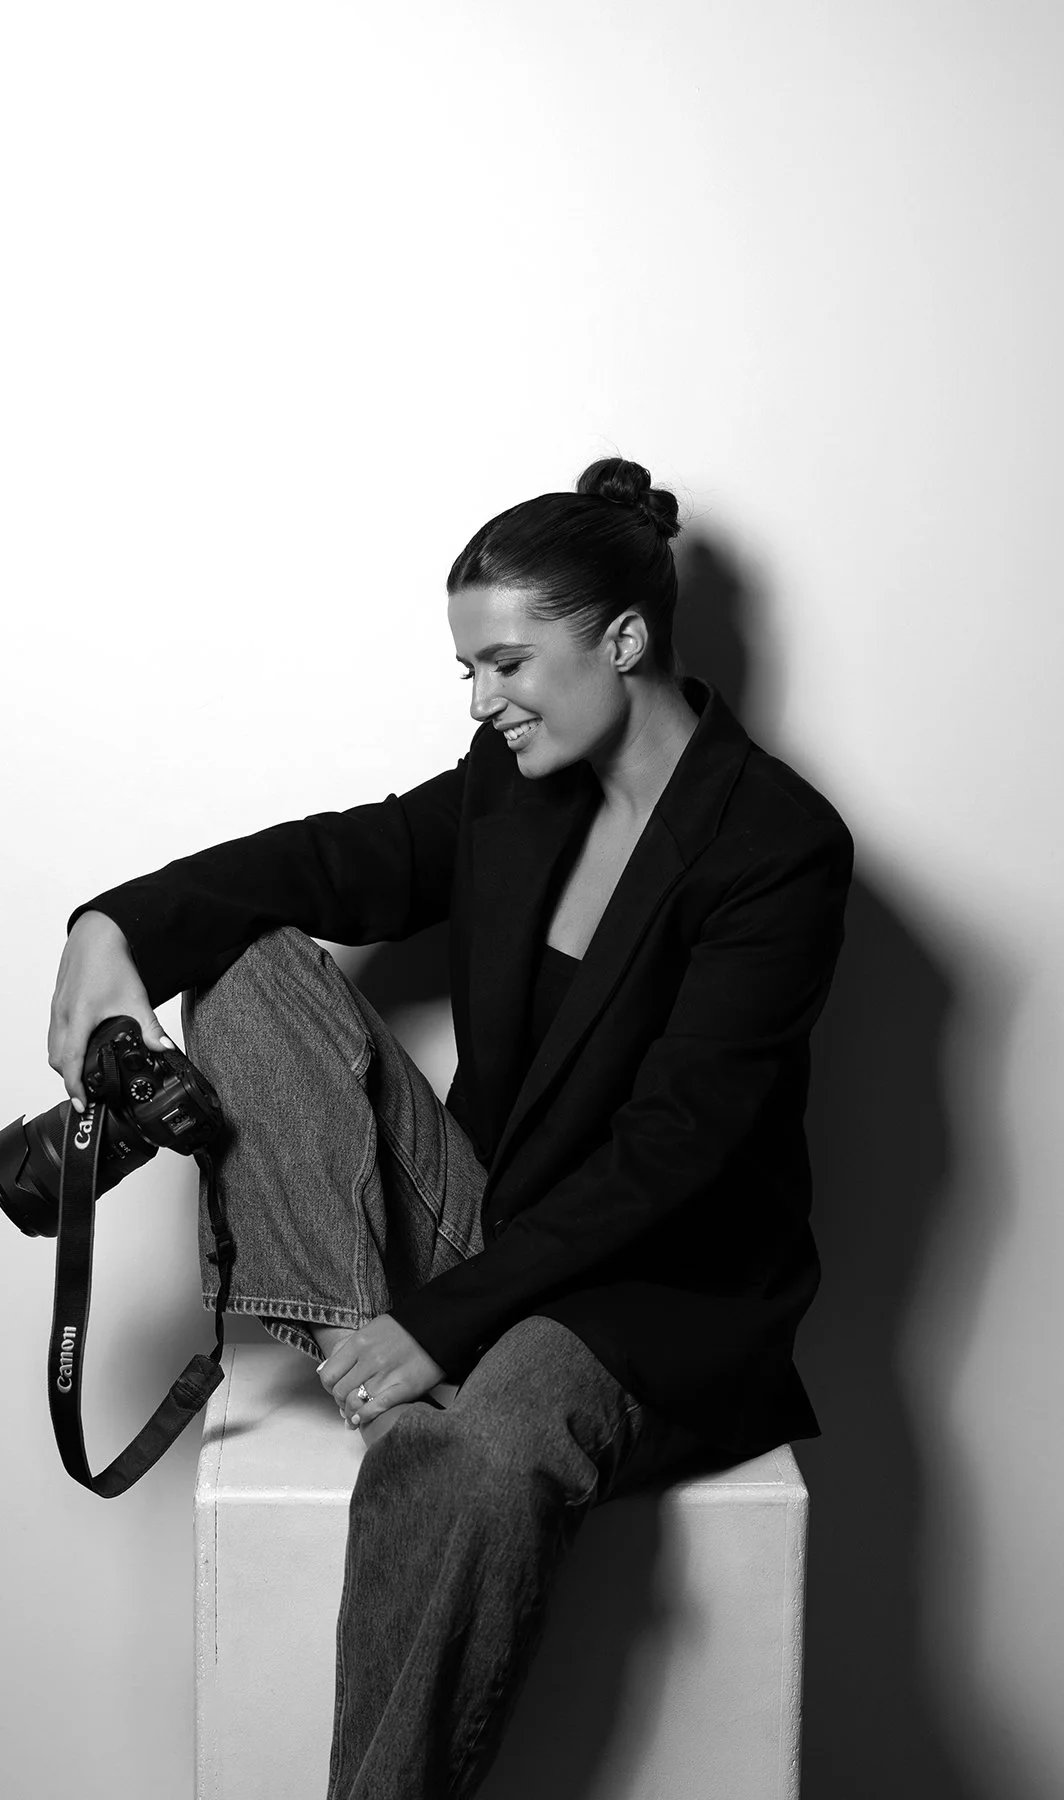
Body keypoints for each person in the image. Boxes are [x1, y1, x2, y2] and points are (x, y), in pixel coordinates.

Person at [48, 456, 854, 1800]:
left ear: (626, 640)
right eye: (468, 671)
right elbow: (328, 861)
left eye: (508, 665)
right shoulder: (511, 781)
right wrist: (112, 923)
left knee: (485, 1451)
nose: (482, 702)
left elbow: (676, 1153)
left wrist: (443, 1323)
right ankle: (378, 1381)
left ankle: (419, 1425)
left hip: (643, 1289)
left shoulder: (776, 847)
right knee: (242, 961)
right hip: (487, 1213)